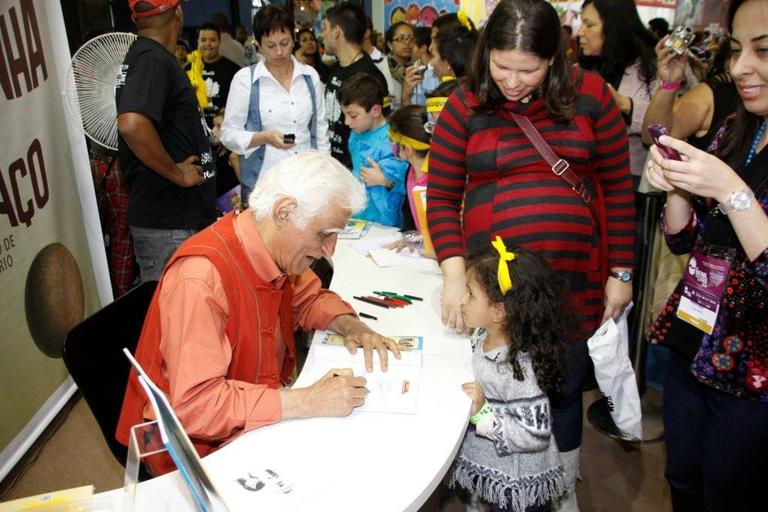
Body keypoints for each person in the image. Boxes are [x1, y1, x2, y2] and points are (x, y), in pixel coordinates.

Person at [426, 1, 635, 509]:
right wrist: (454, 276)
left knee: (561, 387)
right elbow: (442, 194)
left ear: (555, 60)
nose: (513, 82)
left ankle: (559, 488)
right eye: (502, 67)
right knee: (496, 388)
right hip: (494, 293)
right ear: (485, 55)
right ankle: (487, 484)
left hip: (569, 282)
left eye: (529, 70)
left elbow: (617, 186)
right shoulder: (466, 102)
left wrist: (621, 271)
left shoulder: (590, 97)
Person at [116, 151, 403, 476]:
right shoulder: (200, 279)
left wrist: (352, 325)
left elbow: (309, 300)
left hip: (254, 416)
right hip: (197, 455)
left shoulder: (271, 247)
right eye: (324, 233)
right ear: (284, 211)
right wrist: (307, 400)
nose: (330, 249)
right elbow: (196, 407)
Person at [645, 0, 768, 510]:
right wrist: (674, 184)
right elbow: (687, 240)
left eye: (762, 51)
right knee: (683, 479)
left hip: (752, 372)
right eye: (737, 51)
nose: (740, 68)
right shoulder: (741, 129)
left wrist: (729, 188)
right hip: (693, 339)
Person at [451, 238, 579, 511]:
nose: (462, 301)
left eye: (470, 295)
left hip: (516, 480)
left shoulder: (520, 371)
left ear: (499, 311)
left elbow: (535, 434)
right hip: (493, 465)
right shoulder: (484, 335)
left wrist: (483, 415)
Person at [117, 0, 216, 283]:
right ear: (179, 13)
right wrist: (177, 173)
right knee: (177, 319)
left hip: (173, 224)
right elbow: (132, 123)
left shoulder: (147, 56)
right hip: (171, 227)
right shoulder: (152, 60)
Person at [221, 4, 329, 207]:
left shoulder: (310, 76)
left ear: (293, 38)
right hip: (265, 187)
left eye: (285, 43)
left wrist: (325, 176)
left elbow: (320, 130)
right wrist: (263, 137)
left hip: (307, 183)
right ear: (258, 45)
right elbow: (228, 134)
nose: (279, 52)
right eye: (270, 46)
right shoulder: (246, 80)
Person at [578, 0, 658, 183]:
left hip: (634, 175)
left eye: (589, 24)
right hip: (587, 173)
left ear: (613, 25)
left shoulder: (653, 68)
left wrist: (624, 104)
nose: (580, 32)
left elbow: (668, 125)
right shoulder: (581, 68)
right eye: (581, 23)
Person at [321, 2, 388, 169]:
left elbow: (380, 131)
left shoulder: (368, 75)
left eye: (325, 28)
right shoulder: (337, 68)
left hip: (358, 169)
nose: (323, 35)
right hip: (334, 163)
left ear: (336, 31)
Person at [339, 73, 408, 227]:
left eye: (353, 115)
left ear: (375, 110)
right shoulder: (355, 133)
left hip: (386, 223)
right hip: (357, 217)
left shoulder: (395, 140)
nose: (347, 122)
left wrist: (386, 181)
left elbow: (412, 183)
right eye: (344, 115)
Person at [196, 22, 240, 127]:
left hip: (223, 131)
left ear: (219, 42)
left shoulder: (234, 71)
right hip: (195, 131)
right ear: (197, 42)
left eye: (212, 40)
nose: (207, 44)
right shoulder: (189, 69)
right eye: (203, 40)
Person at [382, 21, 415, 110]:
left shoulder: (416, 69)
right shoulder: (380, 69)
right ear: (389, 44)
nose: (407, 43)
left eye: (410, 39)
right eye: (401, 39)